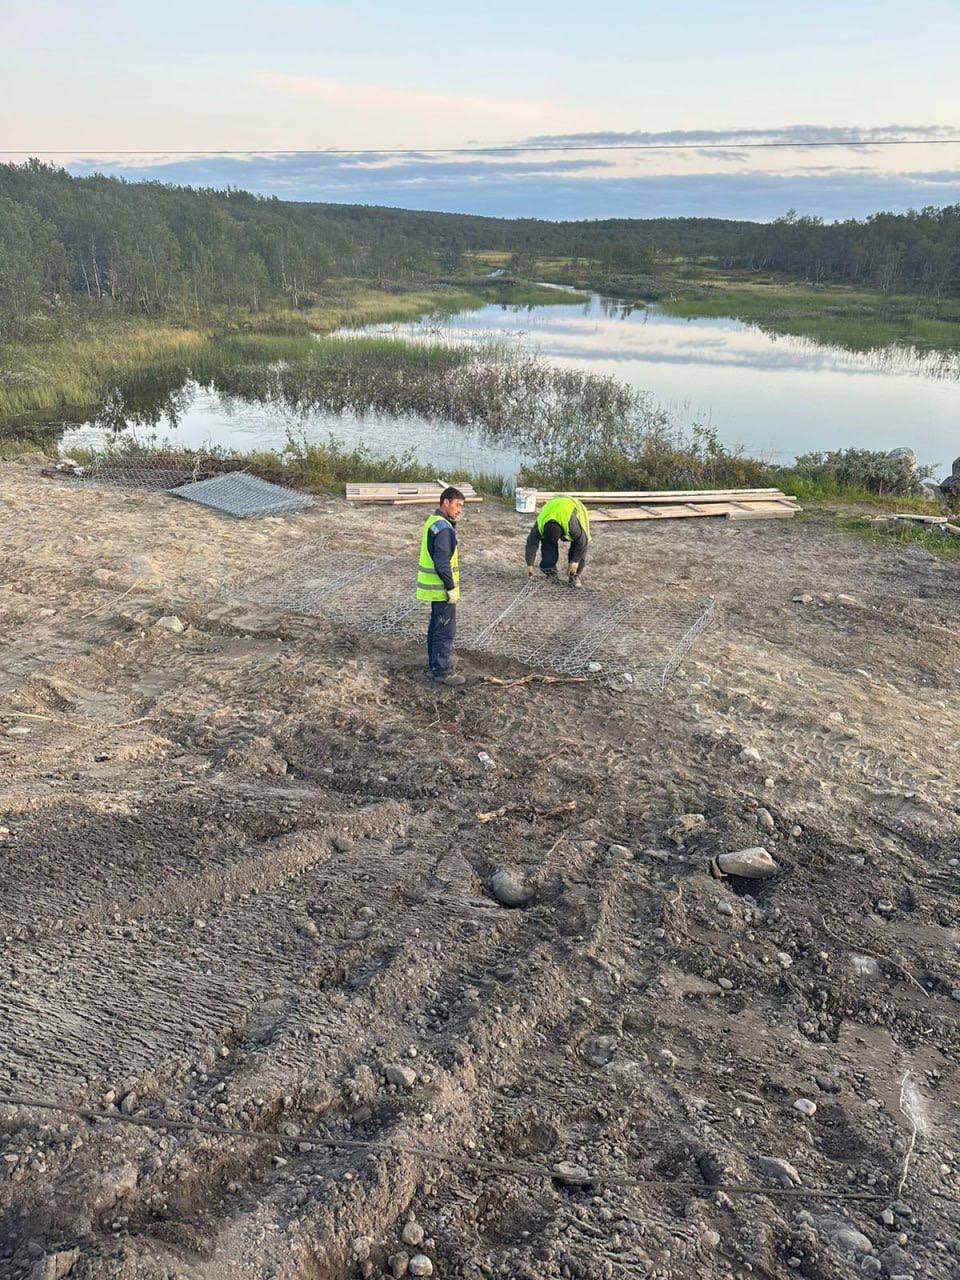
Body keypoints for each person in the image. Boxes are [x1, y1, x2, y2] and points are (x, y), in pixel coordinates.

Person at [417, 486, 466, 686]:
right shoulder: (444, 529)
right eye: (457, 505)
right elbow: (441, 561)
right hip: (441, 589)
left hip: (433, 588)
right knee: (445, 630)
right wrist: (450, 587)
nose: (460, 510)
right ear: (445, 502)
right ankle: (442, 671)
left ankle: (434, 662)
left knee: (436, 626)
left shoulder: (433, 521)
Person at [525, 494, 591, 587]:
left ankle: (574, 577)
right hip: (553, 508)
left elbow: (582, 542)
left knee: (578, 547)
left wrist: (575, 561)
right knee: (548, 548)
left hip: (573, 509)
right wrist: (529, 565)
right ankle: (551, 574)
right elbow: (531, 543)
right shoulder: (540, 524)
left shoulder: (572, 525)